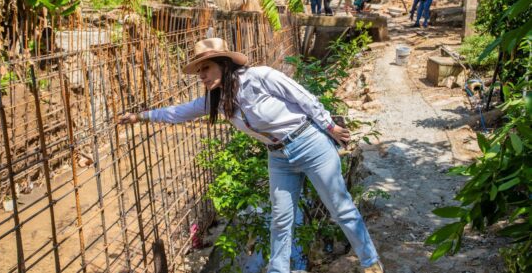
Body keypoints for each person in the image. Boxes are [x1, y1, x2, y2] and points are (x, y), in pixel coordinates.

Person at [119, 37, 385, 273]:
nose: (201, 75)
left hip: (309, 143)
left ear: (224, 63)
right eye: (199, 70)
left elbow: (303, 97)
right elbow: (177, 112)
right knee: (280, 220)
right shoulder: (218, 100)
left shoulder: (260, 77)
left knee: (340, 207)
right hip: (278, 157)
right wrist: (140, 116)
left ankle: (370, 261)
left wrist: (330, 126)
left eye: (206, 68)